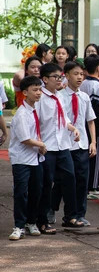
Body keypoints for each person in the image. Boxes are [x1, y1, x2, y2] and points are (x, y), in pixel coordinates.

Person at [36, 63, 80, 233]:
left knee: (70, 178)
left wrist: (73, 128)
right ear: (45, 79)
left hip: (63, 145)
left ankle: (70, 216)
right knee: (46, 183)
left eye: (60, 77)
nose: (59, 80)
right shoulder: (40, 98)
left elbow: (65, 118)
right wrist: (39, 142)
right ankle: (43, 219)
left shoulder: (60, 96)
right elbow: (36, 123)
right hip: (47, 147)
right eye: (56, 77)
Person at [55, 61, 96, 227]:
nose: (79, 77)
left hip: (82, 145)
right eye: (75, 74)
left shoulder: (84, 97)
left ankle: (80, 214)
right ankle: (61, 212)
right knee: (64, 180)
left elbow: (90, 121)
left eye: (81, 74)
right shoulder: (60, 96)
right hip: (65, 144)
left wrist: (93, 142)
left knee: (82, 179)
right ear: (66, 75)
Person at [8, 76, 45, 240]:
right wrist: (42, 145)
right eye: (34, 90)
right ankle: (19, 225)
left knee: (36, 191)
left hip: (35, 158)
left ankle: (31, 222)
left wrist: (39, 147)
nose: (38, 93)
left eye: (39, 89)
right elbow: (25, 139)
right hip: (22, 159)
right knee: (21, 192)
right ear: (25, 92)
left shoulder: (34, 110)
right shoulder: (22, 113)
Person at [82, 55, 99, 199]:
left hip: (83, 124)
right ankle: (93, 185)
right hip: (95, 126)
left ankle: (88, 184)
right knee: (95, 157)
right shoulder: (98, 86)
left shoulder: (83, 83)